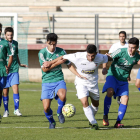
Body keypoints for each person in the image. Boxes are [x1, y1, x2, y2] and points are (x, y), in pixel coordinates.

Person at [43, 44, 108, 130]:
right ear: (86, 53)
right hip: (81, 82)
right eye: (88, 55)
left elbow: (107, 58)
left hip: (93, 84)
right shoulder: (78, 56)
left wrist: (104, 67)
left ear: (96, 53)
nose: (91, 58)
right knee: (84, 102)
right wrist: (50, 62)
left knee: (96, 104)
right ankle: (93, 123)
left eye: (92, 56)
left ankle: (90, 118)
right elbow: (63, 57)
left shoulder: (100, 57)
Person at [38, 33, 85, 129]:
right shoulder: (42, 53)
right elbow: (45, 69)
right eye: (50, 44)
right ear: (47, 42)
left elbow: (69, 64)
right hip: (47, 81)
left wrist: (77, 74)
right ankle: (52, 122)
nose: (52, 46)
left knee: (63, 96)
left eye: (54, 44)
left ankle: (59, 112)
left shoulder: (61, 51)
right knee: (46, 108)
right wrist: (58, 62)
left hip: (59, 79)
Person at [102, 37, 140, 128]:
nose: (130, 49)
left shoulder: (137, 57)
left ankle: (118, 122)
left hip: (123, 79)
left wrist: (128, 75)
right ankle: (105, 116)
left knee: (125, 99)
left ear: (137, 48)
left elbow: (131, 65)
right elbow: (109, 57)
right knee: (110, 91)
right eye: (129, 47)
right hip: (113, 75)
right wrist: (104, 67)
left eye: (133, 48)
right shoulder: (120, 51)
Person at [2, 27, 27, 117]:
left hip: (14, 69)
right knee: (5, 91)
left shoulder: (15, 43)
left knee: (15, 88)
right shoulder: (3, 44)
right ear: (5, 35)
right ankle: (6, 111)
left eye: (11, 35)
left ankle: (16, 109)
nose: (10, 36)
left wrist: (20, 64)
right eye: (8, 35)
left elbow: (16, 54)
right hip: (5, 70)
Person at [109, 31, 128, 105]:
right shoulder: (115, 45)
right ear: (119, 37)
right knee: (114, 83)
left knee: (122, 83)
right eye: (121, 36)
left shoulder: (128, 46)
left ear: (125, 37)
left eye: (123, 36)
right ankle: (116, 95)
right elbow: (110, 55)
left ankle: (120, 97)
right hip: (115, 68)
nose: (122, 38)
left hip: (124, 69)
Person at [0, 24, 13, 120]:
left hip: (3, 70)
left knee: (1, 92)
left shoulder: (5, 43)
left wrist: (8, 67)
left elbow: (11, 55)